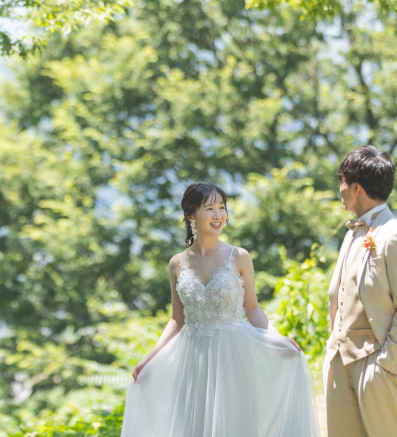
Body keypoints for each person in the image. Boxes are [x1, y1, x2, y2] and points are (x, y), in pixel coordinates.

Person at [120, 182, 319, 437]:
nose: (219, 215)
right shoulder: (176, 264)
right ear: (190, 215)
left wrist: (277, 339)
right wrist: (149, 358)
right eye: (210, 208)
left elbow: (252, 308)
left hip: (233, 357)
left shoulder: (239, 256)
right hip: (192, 360)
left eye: (222, 208)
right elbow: (177, 320)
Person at [324, 146, 397, 437]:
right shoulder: (351, 233)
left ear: (356, 187)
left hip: (378, 364)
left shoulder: (395, 234)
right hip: (340, 359)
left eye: (342, 182)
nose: (340, 189)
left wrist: (387, 363)